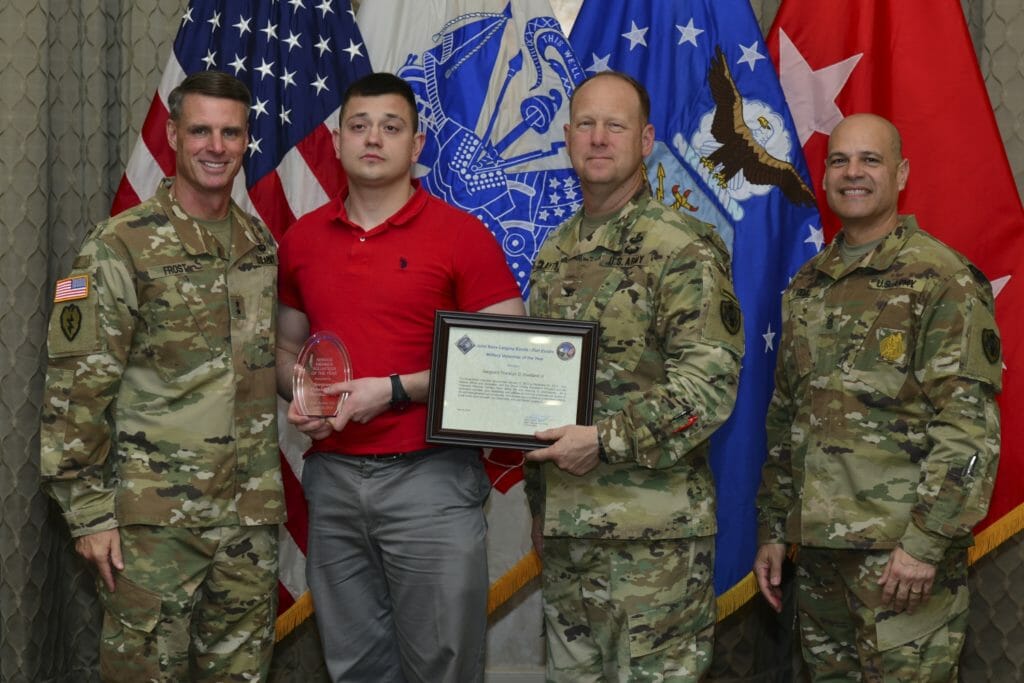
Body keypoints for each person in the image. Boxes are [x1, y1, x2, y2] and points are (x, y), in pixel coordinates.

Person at [275, 72, 524, 683]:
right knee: (355, 664)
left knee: (442, 663)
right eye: (359, 126)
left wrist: (392, 389)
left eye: (391, 127)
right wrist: (305, 392)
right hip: (332, 482)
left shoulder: (462, 235)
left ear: (417, 146)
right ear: (336, 142)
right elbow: (284, 346)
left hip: (431, 479)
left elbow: (507, 360)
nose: (373, 140)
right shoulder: (302, 240)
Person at [39, 71, 284, 681]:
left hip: (247, 522)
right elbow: (76, 393)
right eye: (200, 129)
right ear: (173, 133)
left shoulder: (258, 243)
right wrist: (89, 514)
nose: (215, 146)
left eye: (230, 132)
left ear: (245, 140)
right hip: (153, 531)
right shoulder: (119, 246)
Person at [754, 113, 1002, 681]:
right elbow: (788, 420)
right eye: (839, 160)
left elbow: (967, 429)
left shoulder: (941, 278)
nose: (853, 173)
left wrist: (925, 542)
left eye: (870, 160)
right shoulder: (807, 285)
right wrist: (772, 529)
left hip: (901, 561)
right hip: (819, 558)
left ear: (902, 173)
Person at [525, 71, 745, 682]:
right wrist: (541, 507)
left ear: (646, 140)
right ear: (567, 138)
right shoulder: (553, 252)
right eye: (586, 125)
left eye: (615, 126)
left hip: (654, 542)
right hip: (570, 539)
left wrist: (601, 440)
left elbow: (707, 388)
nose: (599, 138)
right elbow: (543, 394)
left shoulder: (681, 247)